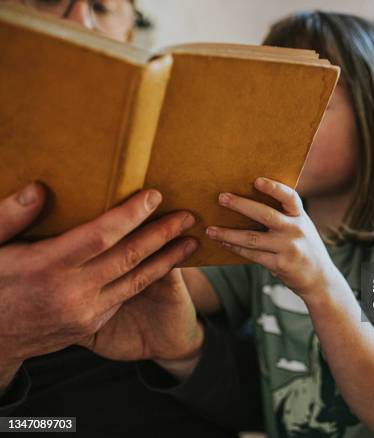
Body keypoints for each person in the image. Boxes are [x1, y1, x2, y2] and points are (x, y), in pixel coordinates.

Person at [178, 11, 374, 438]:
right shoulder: (270, 230)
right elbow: (187, 290)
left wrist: (320, 284)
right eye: (265, 101)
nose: (272, 123)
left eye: (305, 101)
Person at [0, 1, 261, 436]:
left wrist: (185, 351)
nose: (82, 23)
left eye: (103, 6)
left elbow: (275, 412)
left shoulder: (189, 170)